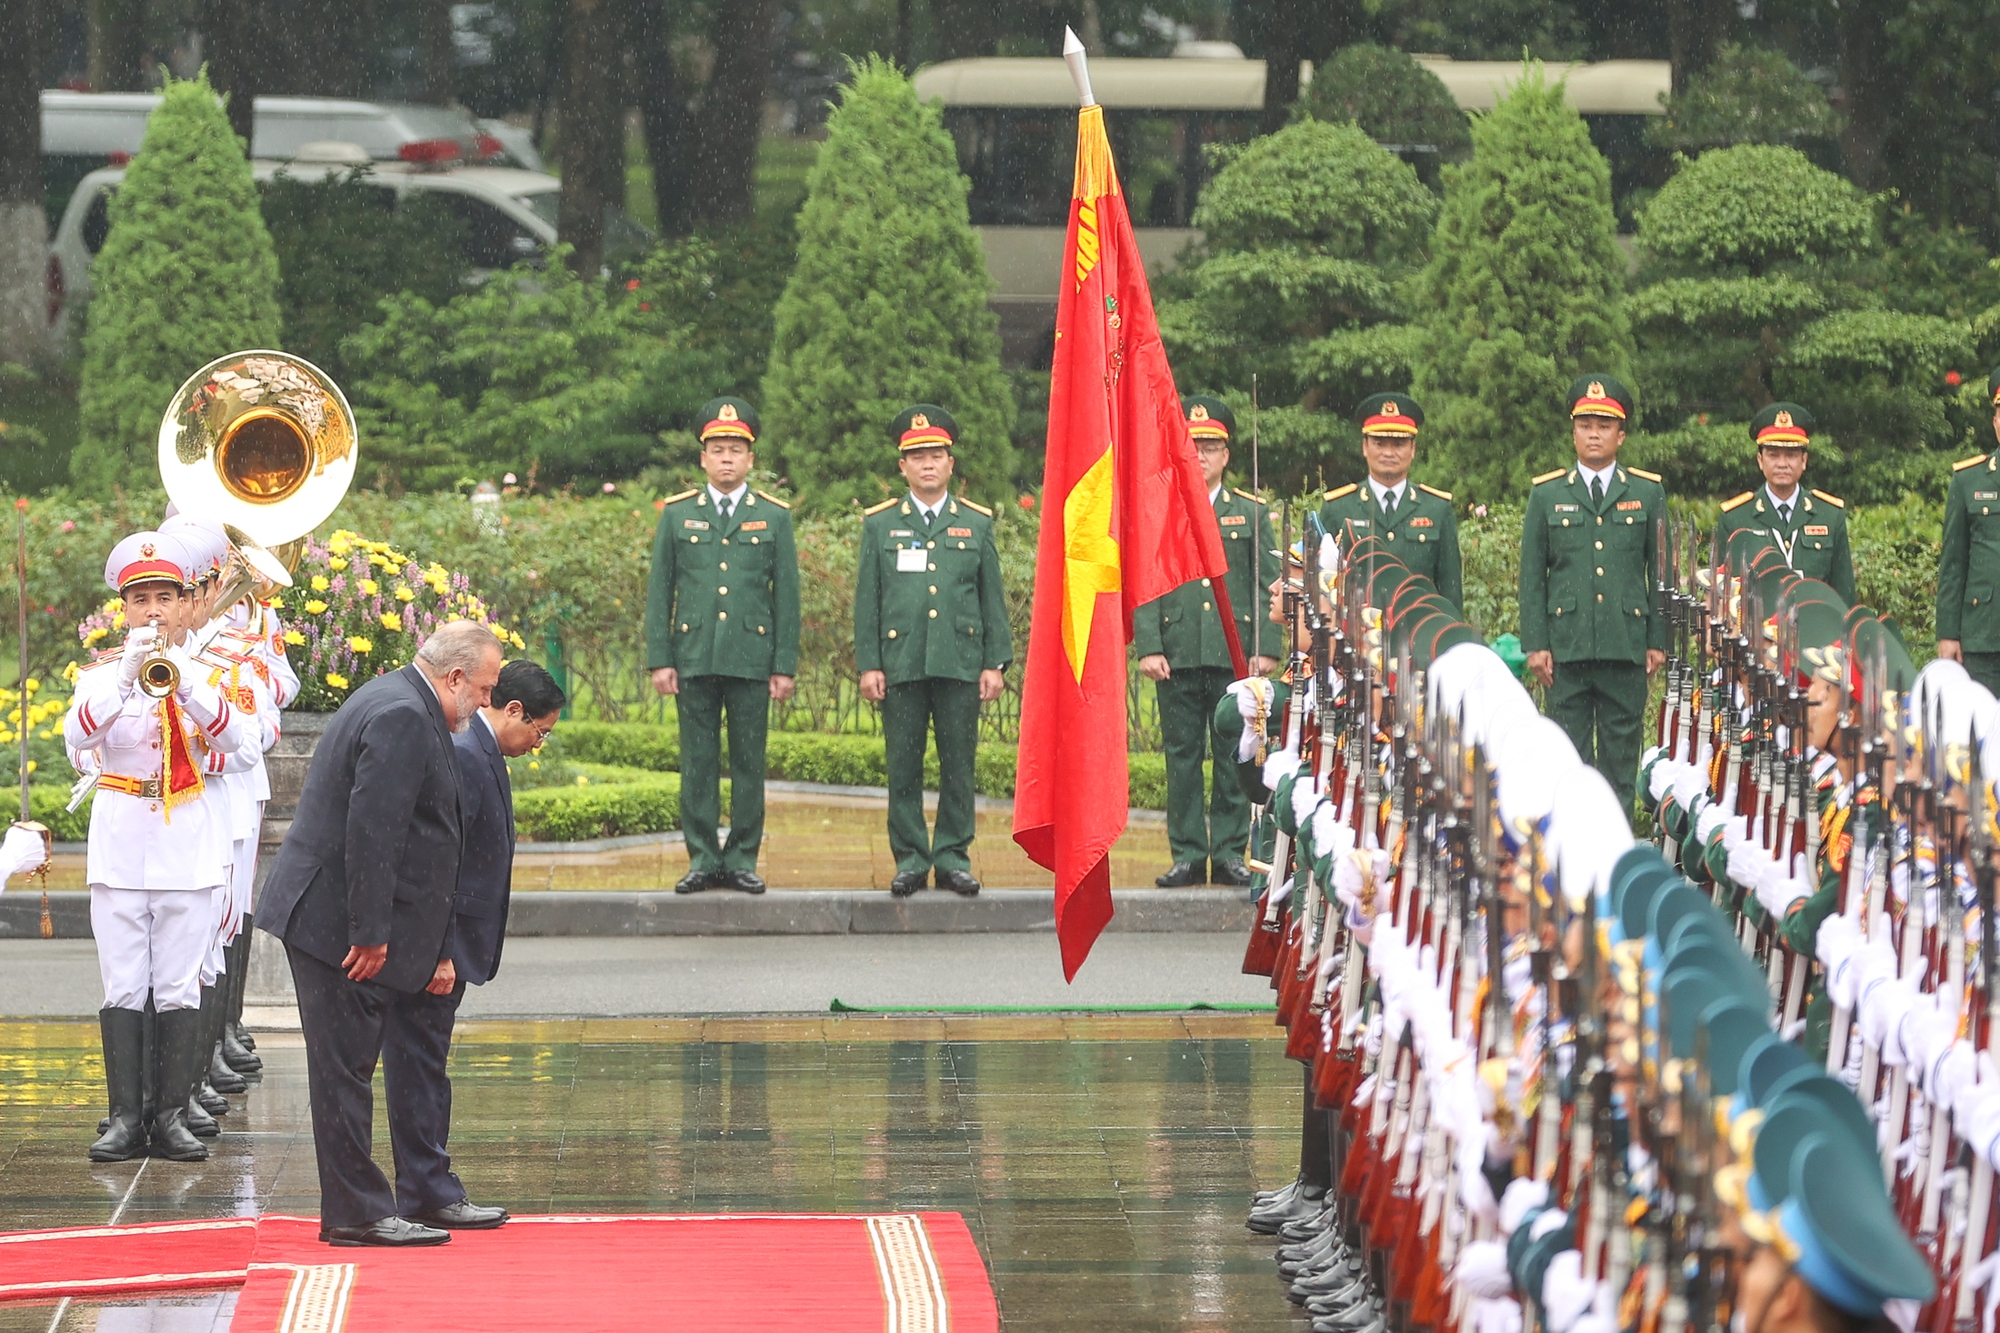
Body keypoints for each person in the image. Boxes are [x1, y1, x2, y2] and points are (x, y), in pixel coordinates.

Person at [255, 619, 500, 1247]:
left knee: (368, 1060)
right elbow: (374, 829)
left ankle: (418, 1193)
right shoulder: (401, 714)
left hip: (357, 918)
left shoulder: (410, 701)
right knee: (344, 1067)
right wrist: (370, 934)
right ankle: (356, 1212)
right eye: (485, 689)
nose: (487, 703)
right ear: (453, 677)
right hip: (335, 922)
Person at [66, 532, 245, 1163]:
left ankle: (170, 1115)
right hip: (119, 844)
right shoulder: (98, 674)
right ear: (124, 607)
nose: (152, 611)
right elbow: (75, 742)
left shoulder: (211, 672)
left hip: (184, 845)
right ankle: (124, 1116)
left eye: (164, 598)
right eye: (139, 599)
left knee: (175, 985)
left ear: (182, 603)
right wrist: (123, 681)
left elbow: (244, 745)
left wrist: (189, 687)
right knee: (121, 984)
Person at [380, 659, 565, 1233]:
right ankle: (428, 1191)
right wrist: (438, 949)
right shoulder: (465, 753)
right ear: (512, 710)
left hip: (452, 942)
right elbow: (439, 862)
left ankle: (430, 1186)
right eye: (540, 731)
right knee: (419, 1067)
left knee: (427, 1065)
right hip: (439, 944)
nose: (538, 744)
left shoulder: (483, 751)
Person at [645, 397, 800, 896]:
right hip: (693, 658)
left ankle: (741, 858)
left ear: (751, 459)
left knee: (750, 763)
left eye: (736, 449)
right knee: (698, 763)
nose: (727, 458)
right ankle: (702, 858)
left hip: (752, 660)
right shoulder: (677, 515)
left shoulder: (774, 518)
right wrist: (660, 658)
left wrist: (784, 665)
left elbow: (788, 598)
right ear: (703, 459)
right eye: (718, 449)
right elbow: (660, 591)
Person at [854, 404, 1011, 898]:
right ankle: (909, 858)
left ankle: (952, 857)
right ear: (902, 466)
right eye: (916, 455)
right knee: (903, 765)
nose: (927, 464)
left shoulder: (976, 524)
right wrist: (869, 664)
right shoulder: (880, 525)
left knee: (958, 765)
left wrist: (995, 662)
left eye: (936, 455)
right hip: (901, 665)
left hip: (959, 663)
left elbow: (991, 598)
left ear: (950, 463)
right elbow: (868, 601)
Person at [1133, 396, 1276, 888]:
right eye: (1193, 446)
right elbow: (1146, 577)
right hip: (1175, 654)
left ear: (1226, 455)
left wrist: (1266, 647)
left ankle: (1232, 851)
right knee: (1182, 757)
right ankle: (1189, 853)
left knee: (1236, 752)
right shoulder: (1159, 508)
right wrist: (1148, 644)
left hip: (1233, 655)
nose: (1201, 455)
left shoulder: (1250, 514)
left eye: (1211, 446)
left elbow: (1266, 584)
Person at [1518, 374, 1667, 813]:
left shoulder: (1646, 492)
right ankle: (1571, 853)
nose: (1594, 433)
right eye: (1586, 424)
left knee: (1621, 759)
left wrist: (1658, 640)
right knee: (1568, 759)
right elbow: (1532, 577)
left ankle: (1617, 855)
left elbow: (1660, 572)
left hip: (1626, 645)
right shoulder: (1546, 494)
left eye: (1604, 425)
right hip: (1566, 649)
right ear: (1574, 432)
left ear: (1621, 435)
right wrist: (1536, 644)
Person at [1317, 393, 1461, 607]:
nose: (1389, 452)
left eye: (1398, 444)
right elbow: (1322, 584)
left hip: (1418, 630)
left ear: (1413, 449)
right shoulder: (1338, 508)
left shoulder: (1437, 509)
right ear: (1365, 447)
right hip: (1355, 633)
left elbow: (1450, 590)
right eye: (1379, 443)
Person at [1714, 402, 1854, 604]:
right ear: (1760, 461)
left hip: (1815, 629)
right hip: (1755, 630)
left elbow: (1844, 594)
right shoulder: (1735, 517)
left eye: (1791, 455)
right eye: (1773, 454)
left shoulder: (1830, 516)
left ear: (1804, 460)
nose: (1782, 463)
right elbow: (1724, 594)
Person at [1937, 366, 2000, 695]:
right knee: (1982, 733)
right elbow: (1954, 562)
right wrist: (1948, 634)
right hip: (1983, 638)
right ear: (1995, 423)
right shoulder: (1968, 481)